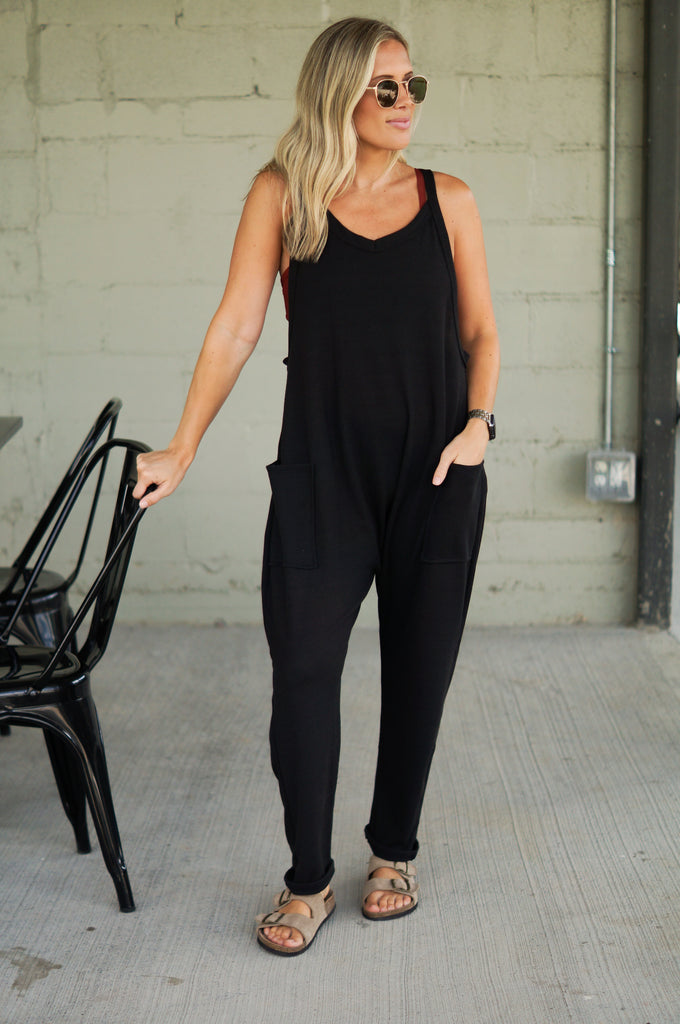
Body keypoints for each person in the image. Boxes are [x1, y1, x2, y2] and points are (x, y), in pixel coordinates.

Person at [133, 16, 500, 956]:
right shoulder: (284, 195)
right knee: (301, 677)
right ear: (340, 93)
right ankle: (308, 880)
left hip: (436, 475)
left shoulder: (450, 199)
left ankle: (394, 854)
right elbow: (236, 328)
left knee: (419, 673)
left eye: (414, 84)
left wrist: (478, 425)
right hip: (319, 477)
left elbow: (481, 333)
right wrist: (182, 446)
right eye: (387, 87)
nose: (407, 101)